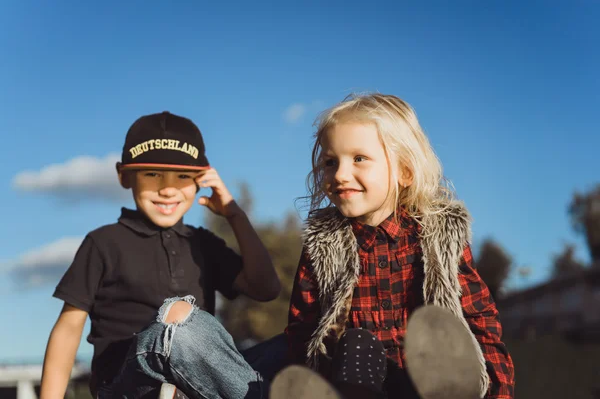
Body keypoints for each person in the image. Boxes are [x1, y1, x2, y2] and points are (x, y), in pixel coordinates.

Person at [284, 93, 515, 398]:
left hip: (426, 383)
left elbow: (480, 320)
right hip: (356, 385)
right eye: (330, 162)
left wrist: (500, 392)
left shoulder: (439, 236)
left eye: (358, 159)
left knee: (439, 345)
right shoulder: (323, 244)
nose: (340, 174)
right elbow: (302, 331)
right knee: (357, 344)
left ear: (405, 172)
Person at [40, 111, 283, 399]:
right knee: (180, 319)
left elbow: (265, 289)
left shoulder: (202, 242)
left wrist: (233, 213)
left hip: (194, 379)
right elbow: (68, 329)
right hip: (128, 385)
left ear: (200, 181)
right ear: (124, 176)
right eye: (153, 174)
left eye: (183, 176)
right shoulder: (103, 242)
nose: (167, 189)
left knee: (295, 342)